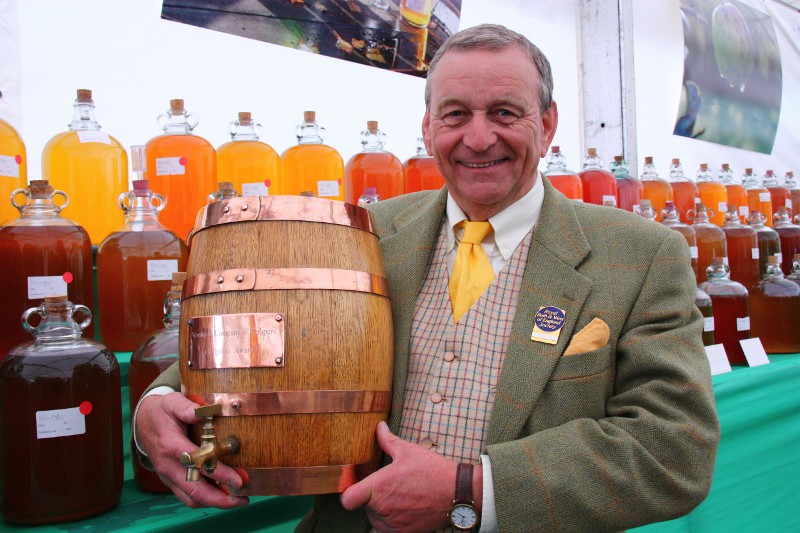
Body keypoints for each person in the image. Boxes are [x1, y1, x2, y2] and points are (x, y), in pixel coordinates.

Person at [134, 23, 720, 532]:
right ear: (428, 126)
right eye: (456, 114)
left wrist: (470, 490)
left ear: (547, 125)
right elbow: (251, 331)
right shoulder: (366, 231)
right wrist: (156, 406)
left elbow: (673, 449)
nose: (479, 137)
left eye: (505, 113)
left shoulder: (642, 256)